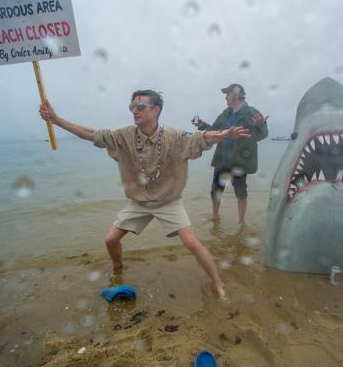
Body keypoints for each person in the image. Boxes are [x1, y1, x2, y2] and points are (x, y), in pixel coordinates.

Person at [39, 90, 250, 298]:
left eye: (140, 106)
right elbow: (93, 135)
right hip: (139, 202)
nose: (134, 111)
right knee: (110, 240)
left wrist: (223, 135)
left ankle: (218, 283)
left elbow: (200, 138)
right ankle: (118, 268)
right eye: (132, 107)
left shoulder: (174, 136)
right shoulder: (124, 135)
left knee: (192, 242)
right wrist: (56, 120)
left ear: (156, 109)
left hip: (168, 201)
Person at [193, 83, 268, 224]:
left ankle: (241, 222)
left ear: (236, 95)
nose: (225, 97)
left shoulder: (251, 112)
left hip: (239, 161)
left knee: (240, 193)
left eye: (227, 94)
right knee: (216, 191)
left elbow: (262, 135)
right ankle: (215, 217)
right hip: (222, 159)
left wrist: (261, 125)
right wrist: (202, 125)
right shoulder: (224, 114)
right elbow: (214, 130)